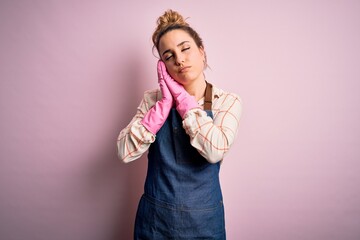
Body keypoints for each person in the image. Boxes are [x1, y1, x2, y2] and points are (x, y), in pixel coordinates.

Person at [117, 9, 242, 240]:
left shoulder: (226, 102)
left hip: (204, 224)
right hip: (155, 223)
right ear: (163, 66)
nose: (179, 60)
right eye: (169, 55)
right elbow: (125, 152)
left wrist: (184, 102)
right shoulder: (152, 101)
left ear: (201, 52)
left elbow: (215, 151)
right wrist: (163, 106)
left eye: (185, 49)